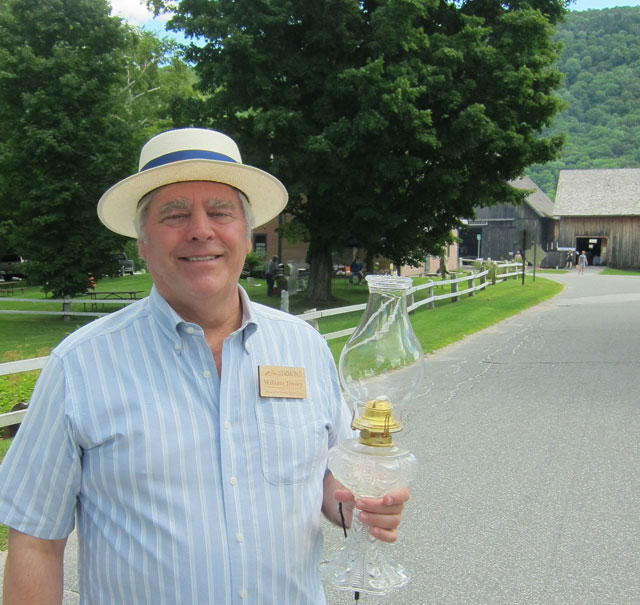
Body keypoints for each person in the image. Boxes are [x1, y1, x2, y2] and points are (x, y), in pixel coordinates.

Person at [0, 128, 409, 604]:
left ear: (246, 235)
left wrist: (356, 506)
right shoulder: (80, 366)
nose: (200, 230)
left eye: (220, 212)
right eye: (175, 215)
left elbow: (324, 476)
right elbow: (36, 541)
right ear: (142, 242)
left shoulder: (304, 347)